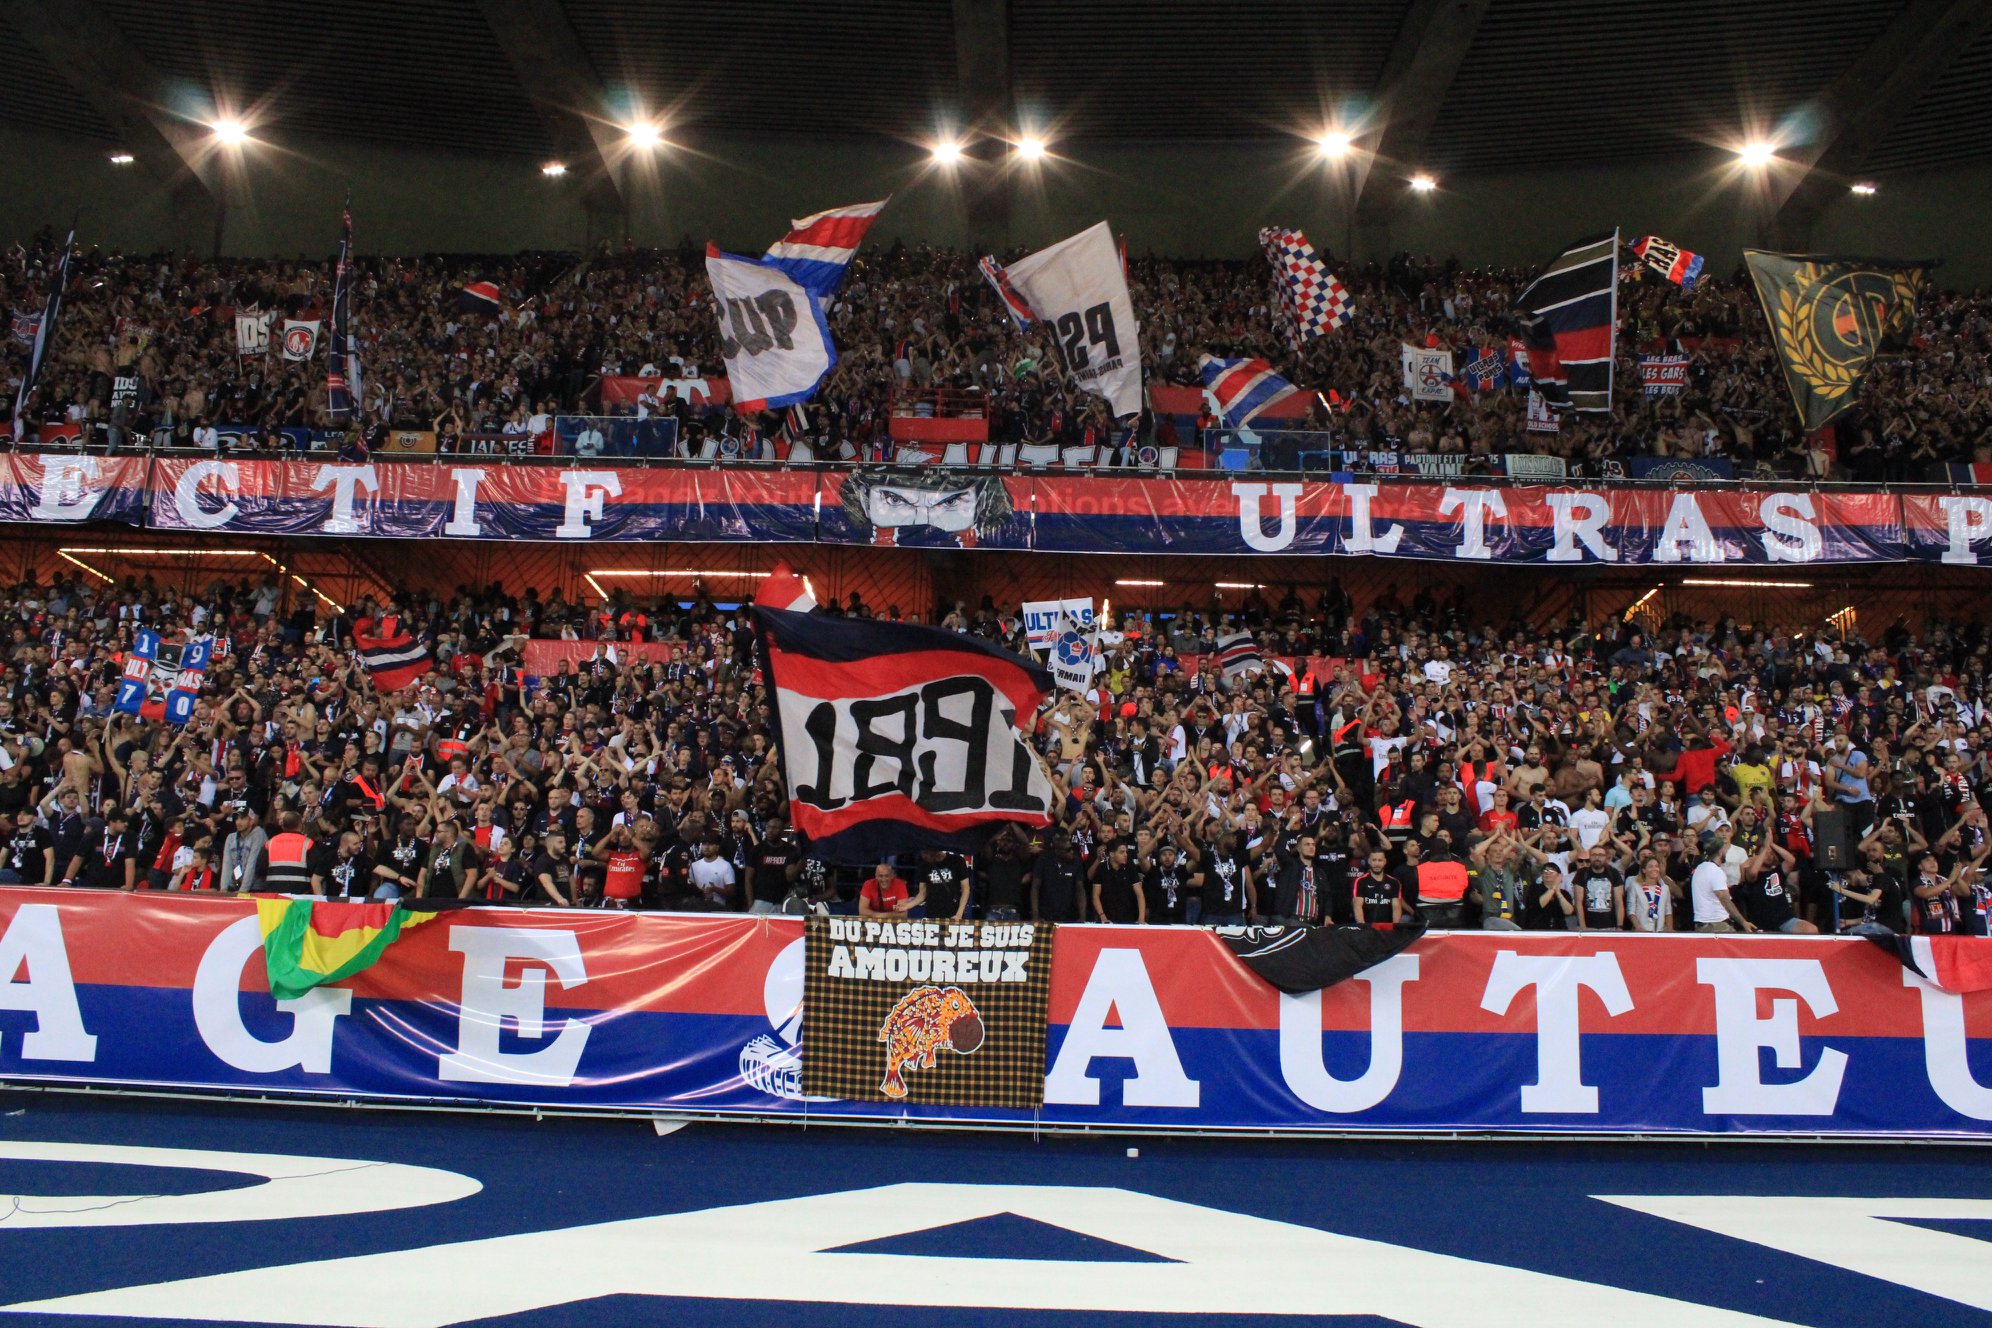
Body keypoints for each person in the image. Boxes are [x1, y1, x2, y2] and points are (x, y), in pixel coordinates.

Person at [1690, 830, 1757, 933]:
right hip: (1716, 925)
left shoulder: (1699, 868)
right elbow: (1725, 900)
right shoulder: (1716, 871)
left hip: (1701, 925)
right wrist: (1743, 922)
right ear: (1720, 852)